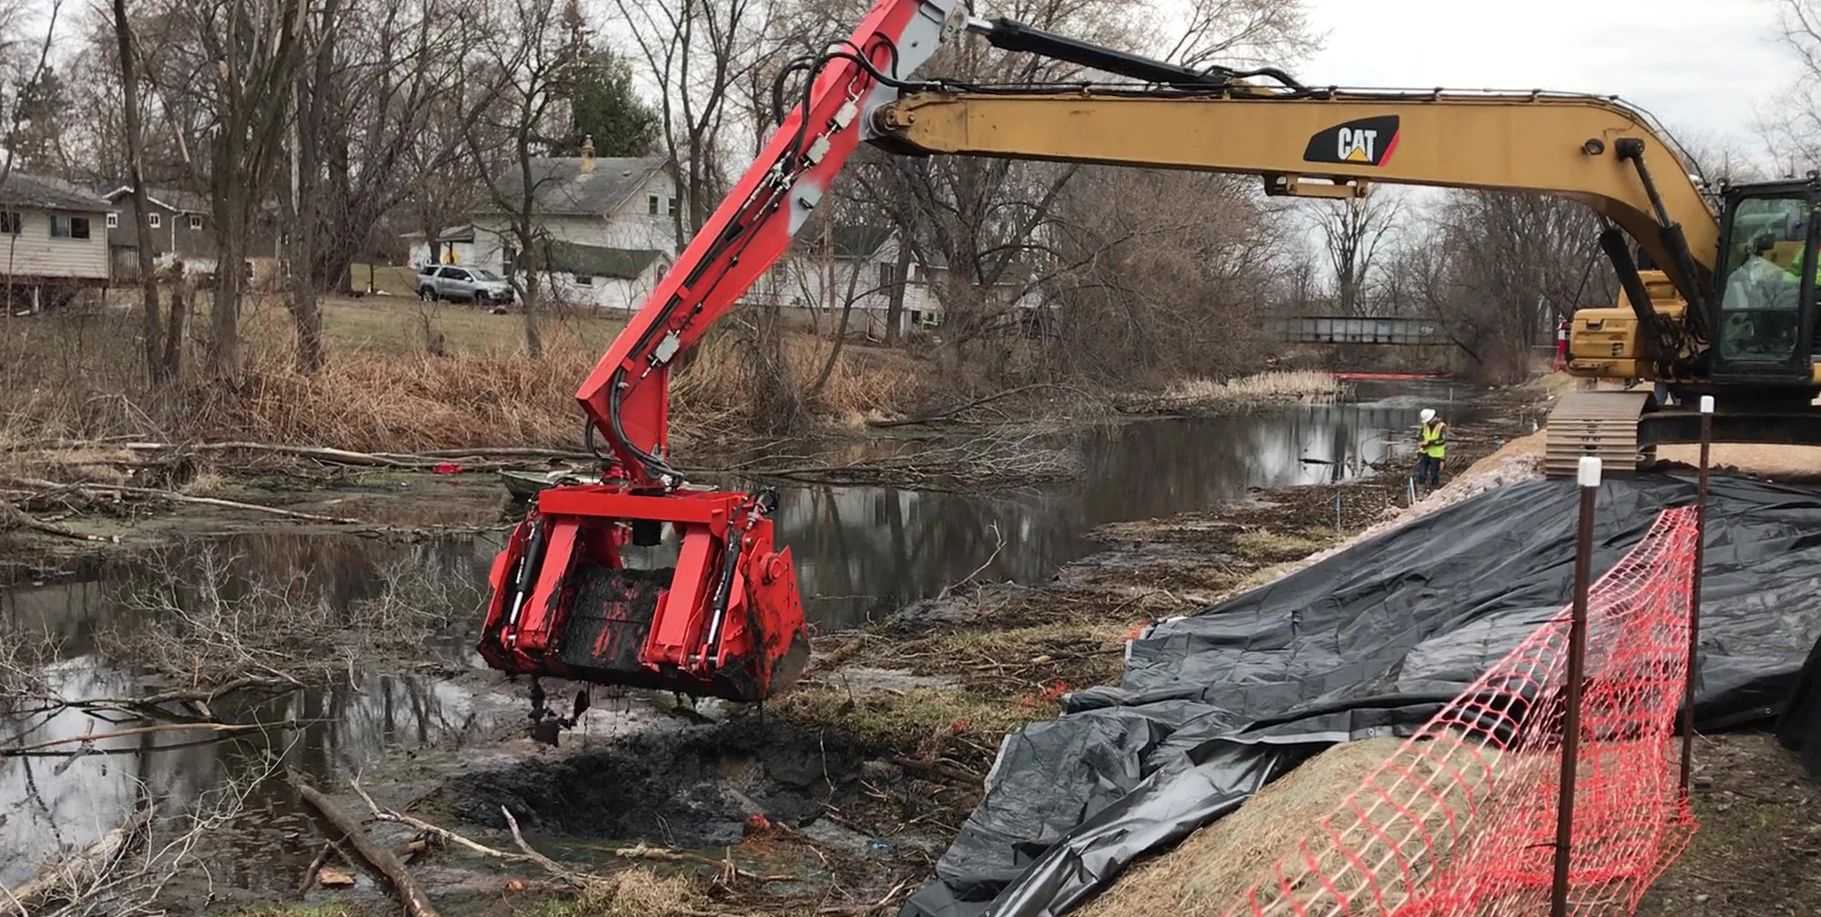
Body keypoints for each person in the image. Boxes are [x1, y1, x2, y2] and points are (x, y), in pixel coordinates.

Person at [1416, 408, 1447, 489]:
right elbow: (1420, 437)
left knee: (1434, 474)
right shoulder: (1425, 426)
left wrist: (1430, 443)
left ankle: (1434, 489)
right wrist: (1421, 443)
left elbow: (1442, 441)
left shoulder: (1441, 427)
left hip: (1436, 455)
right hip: (1424, 453)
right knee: (1422, 473)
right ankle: (1421, 490)